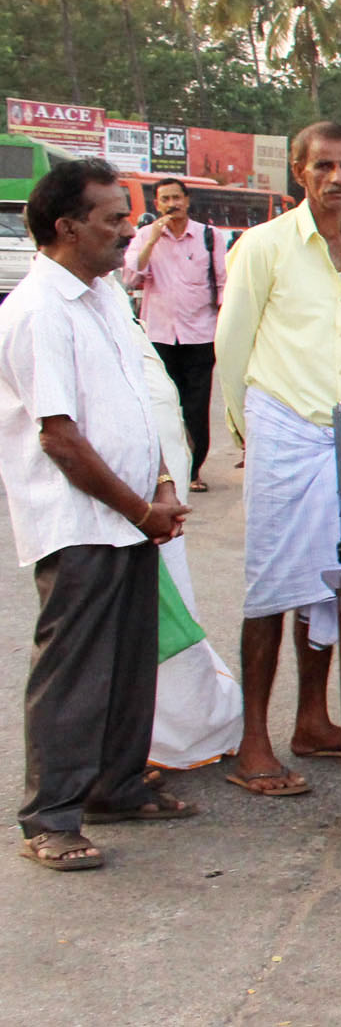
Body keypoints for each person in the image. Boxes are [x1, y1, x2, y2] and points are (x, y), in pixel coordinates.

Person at [0, 159, 198, 872]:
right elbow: (61, 439)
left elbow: (136, 400)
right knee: (75, 671)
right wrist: (142, 509)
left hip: (134, 514)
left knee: (128, 662)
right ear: (66, 227)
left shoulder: (105, 294)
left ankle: (115, 786)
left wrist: (166, 484)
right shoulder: (36, 311)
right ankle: (49, 817)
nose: (128, 229)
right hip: (80, 521)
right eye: (114, 218)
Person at [214, 121, 341, 797]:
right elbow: (232, 348)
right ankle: (253, 742)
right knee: (269, 587)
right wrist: (245, 432)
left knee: (336, 582)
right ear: (299, 171)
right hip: (283, 426)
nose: (337, 178)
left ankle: (313, 720)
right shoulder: (262, 248)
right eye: (323, 166)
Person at [121, 177, 227, 494]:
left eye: (176, 197)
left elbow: (222, 281)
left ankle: (193, 470)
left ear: (187, 200)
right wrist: (152, 240)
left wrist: (223, 324)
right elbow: (129, 277)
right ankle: (164, 469)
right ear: (157, 204)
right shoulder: (144, 236)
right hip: (160, 335)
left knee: (196, 406)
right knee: (163, 404)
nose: (172, 204)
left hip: (200, 335)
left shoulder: (210, 237)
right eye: (165, 199)